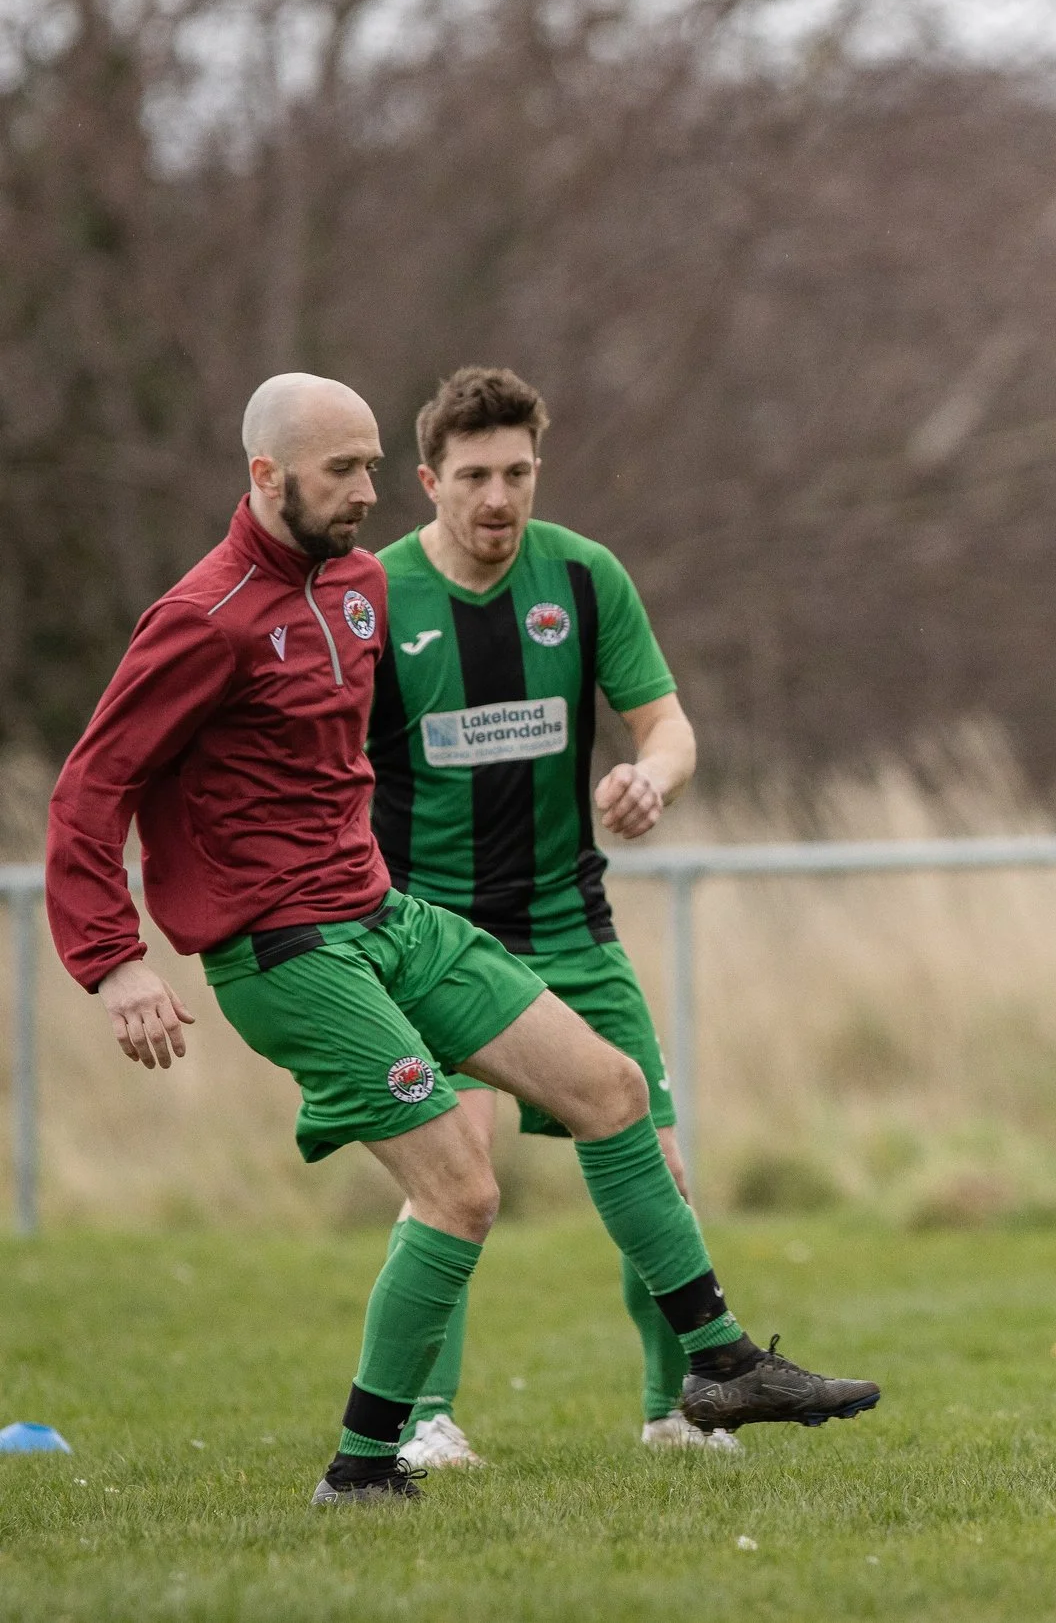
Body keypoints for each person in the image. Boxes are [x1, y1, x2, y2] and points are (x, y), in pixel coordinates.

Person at [45, 372, 879, 1506]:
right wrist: (115, 960)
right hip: (286, 954)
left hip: (388, 918)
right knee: (459, 1185)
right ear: (265, 475)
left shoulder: (351, 588)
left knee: (614, 1090)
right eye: (343, 469)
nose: (368, 490)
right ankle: (369, 1461)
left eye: (374, 463)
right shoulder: (204, 617)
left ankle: (720, 1364)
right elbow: (92, 787)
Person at [365, 367, 727, 1466]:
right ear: (428, 480)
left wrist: (651, 781)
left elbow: (668, 727)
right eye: (473, 475)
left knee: (656, 1162)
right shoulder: (374, 598)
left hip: (571, 927)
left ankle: (678, 1409)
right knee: (455, 1170)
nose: (497, 497)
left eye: (516, 472)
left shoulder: (582, 574)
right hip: (433, 937)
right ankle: (427, 1421)